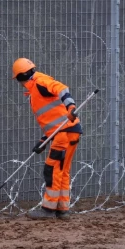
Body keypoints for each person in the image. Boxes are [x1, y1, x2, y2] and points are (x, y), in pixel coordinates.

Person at [12, 58, 82, 219]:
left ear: (22, 76)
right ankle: (62, 209)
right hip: (67, 131)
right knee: (62, 170)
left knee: (52, 169)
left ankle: (48, 209)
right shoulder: (35, 89)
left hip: (64, 132)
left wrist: (71, 106)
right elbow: (53, 120)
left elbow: (62, 89)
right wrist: (44, 140)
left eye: (18, 79)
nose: (19, 83)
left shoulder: (40, 82)